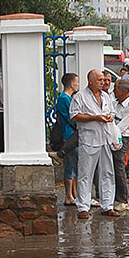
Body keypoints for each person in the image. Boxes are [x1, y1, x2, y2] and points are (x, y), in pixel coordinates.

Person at [69, 70, 119, 218]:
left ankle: (107, 205)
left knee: (108, 172)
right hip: (89, 140)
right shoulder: (80, 97)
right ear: (91, 81)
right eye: (99, 80)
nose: (103, 82)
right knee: (86, 173)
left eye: (104, 80)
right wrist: (95, 118)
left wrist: (109, 117)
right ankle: (83, 206)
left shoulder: (106, 96)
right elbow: (74, 116)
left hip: (105, 139)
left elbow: (112, 112)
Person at [111, 78, 129, 212]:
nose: (114, 91)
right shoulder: (115, 103)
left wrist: (111, 133)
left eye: (116, 89)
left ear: (122, 91)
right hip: (111, 136)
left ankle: (123, 198)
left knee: (119, 167)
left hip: (121, 138)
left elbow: (121, 127)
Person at [57, 73, 80, 206]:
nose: (77, 84)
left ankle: (73, 194)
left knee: (73, 165)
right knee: (71, 165)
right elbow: (69, 116)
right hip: (69, 135)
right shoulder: (64, 99)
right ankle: (69, 195)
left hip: (71, 134)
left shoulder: (68, 98)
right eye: (76, 82)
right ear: (71, 83)